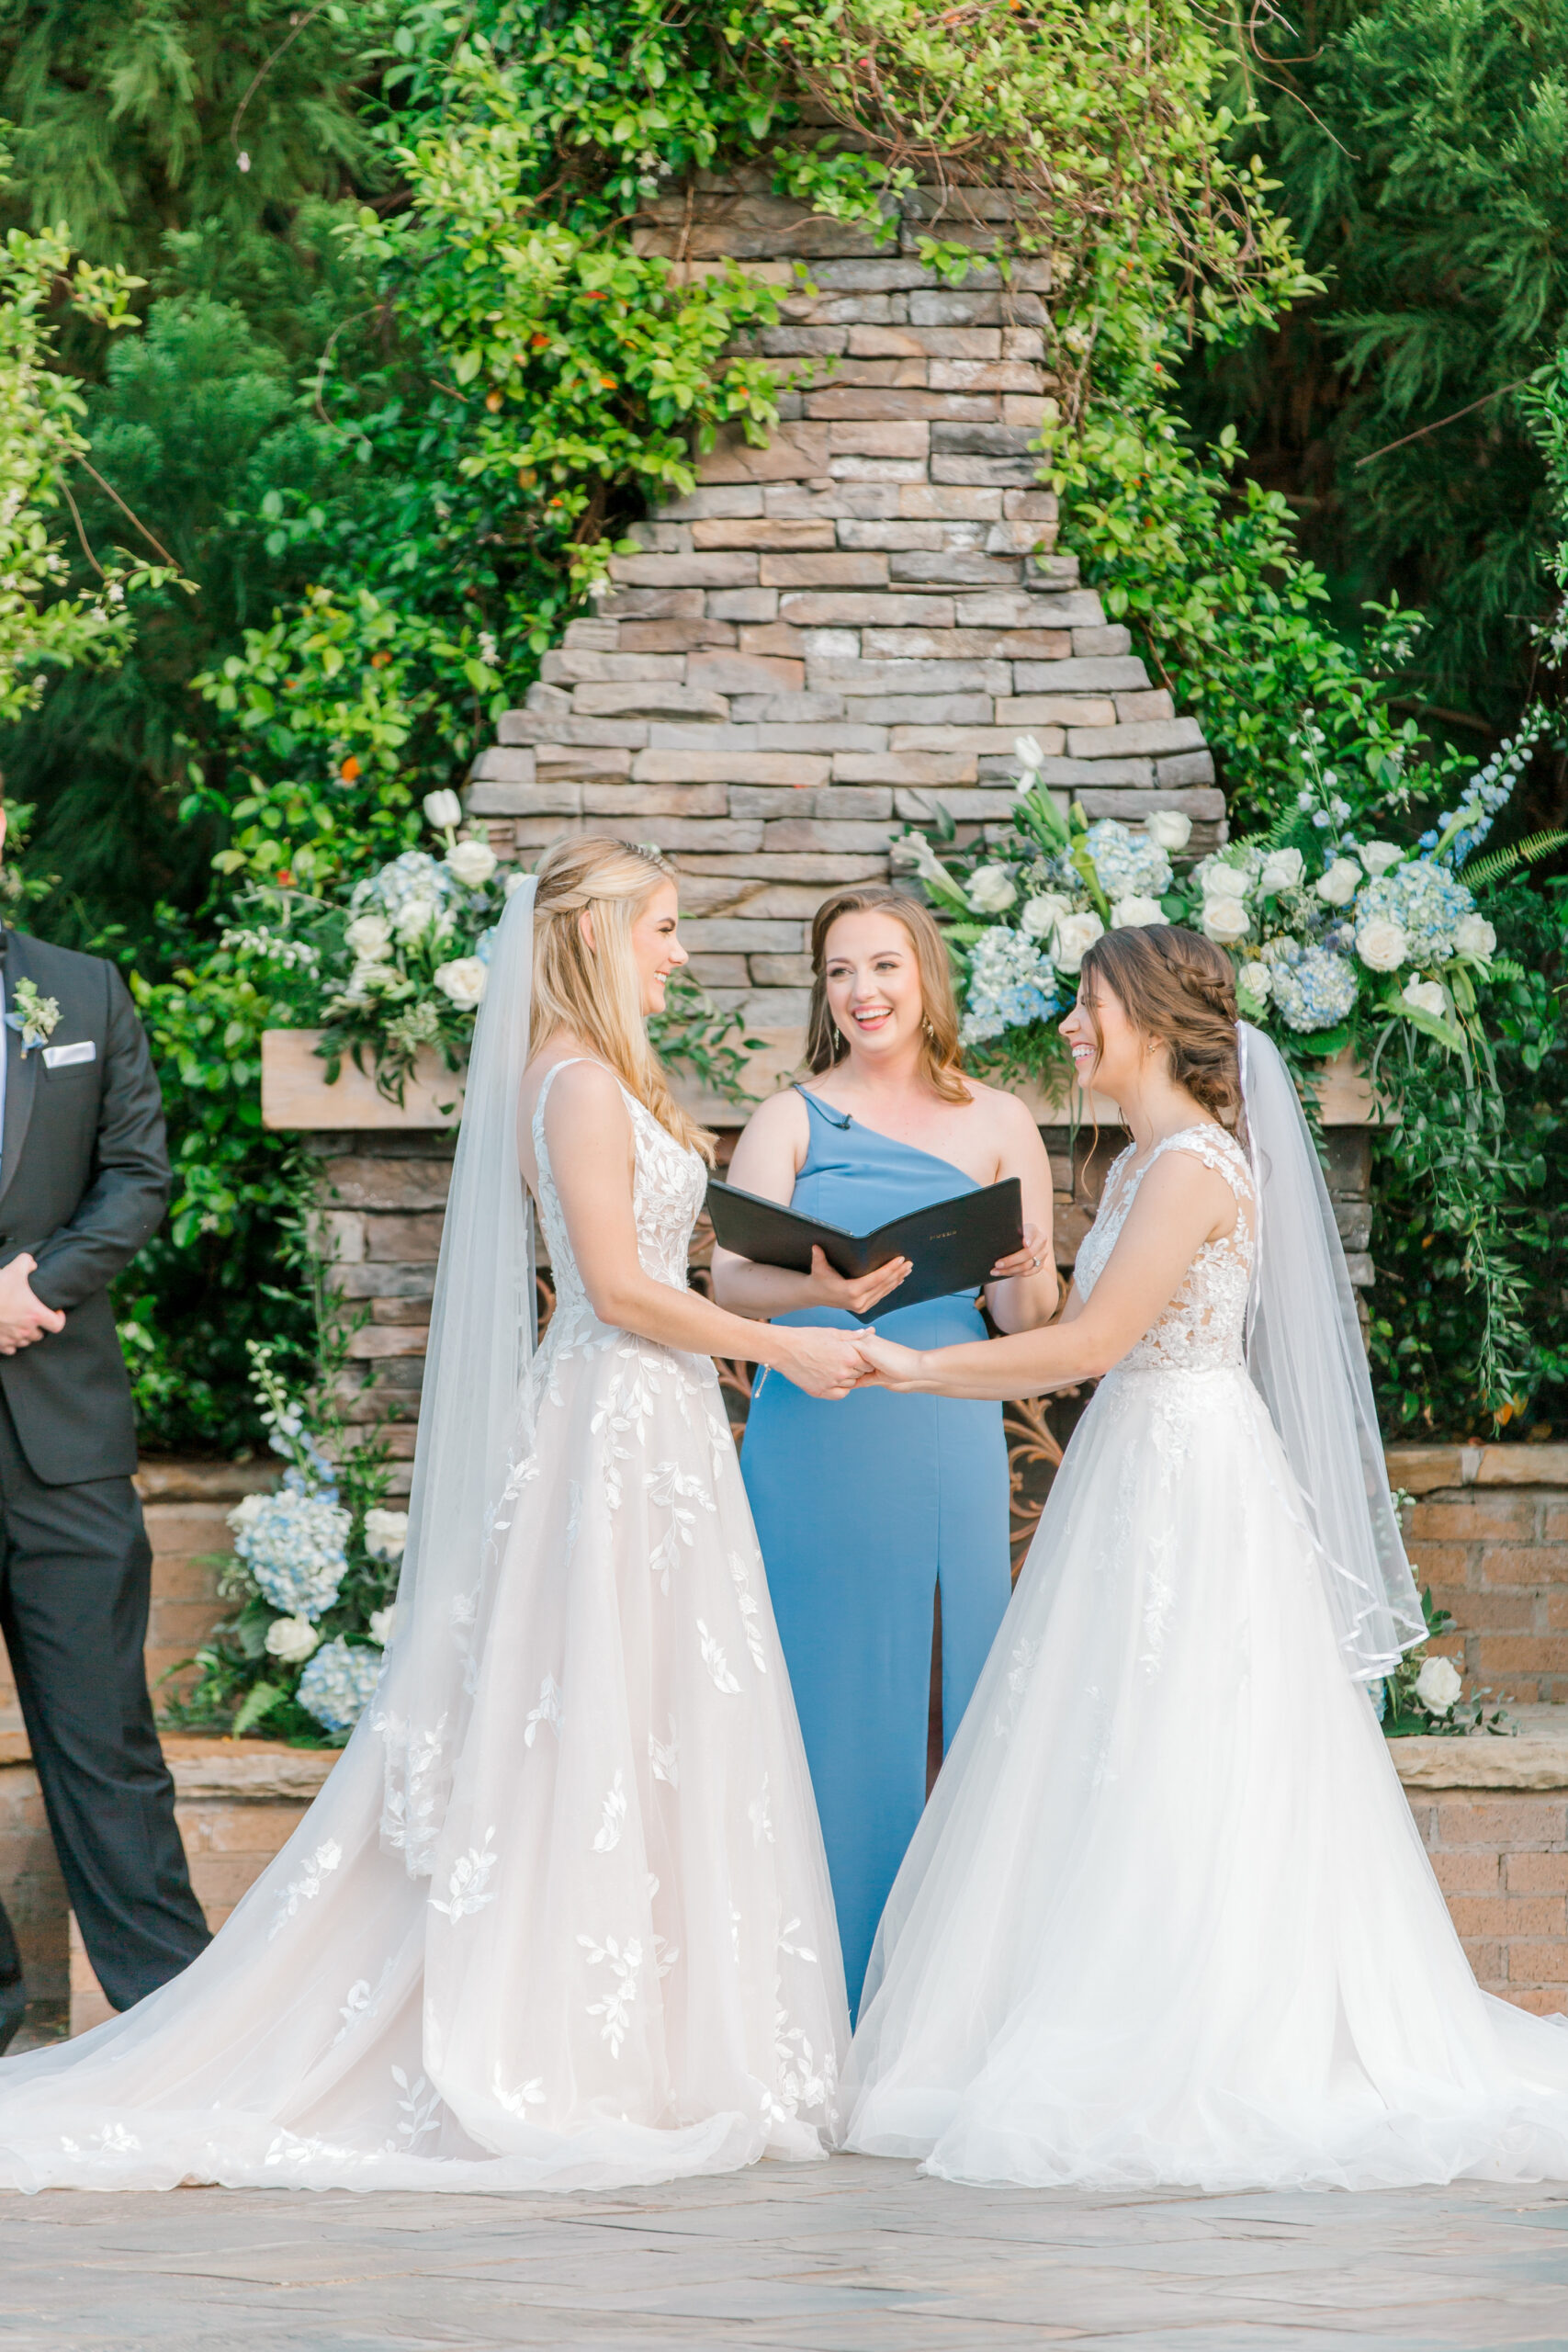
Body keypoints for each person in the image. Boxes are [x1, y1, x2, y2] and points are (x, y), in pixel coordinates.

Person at [0, 835, 864, 2190]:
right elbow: (621, 1294)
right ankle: (557, 2042)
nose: (679, 955)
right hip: (613, 1418)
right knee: (576, 1719)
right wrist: (781, 1355)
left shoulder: (603, 1077)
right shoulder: (571, 1082)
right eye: (664, 931)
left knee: (640, 1720)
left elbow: (668, 1271)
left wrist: (805, 1299)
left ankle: (650, 2040)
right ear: (593, 938)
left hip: (654, 1432)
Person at [843, 923, 1568, 2191]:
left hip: (1185, 1472)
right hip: (1133, 1463)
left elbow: (1084, 1354)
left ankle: (1198, 2024)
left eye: (1086, 1006)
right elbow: (1084, 1324)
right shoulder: (1134, 1169)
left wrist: (920, 1364)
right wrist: (1027, 1274)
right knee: (1110, 1734)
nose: (1069, 1028)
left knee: (1188, 1733)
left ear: (1151, 1019)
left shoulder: (1185, 1167)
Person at [713, 886, 1057, 2013]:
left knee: (955, 1693)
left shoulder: (1001, 1119)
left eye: (883, 966)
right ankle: (811, 1995)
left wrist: (1029, 1275)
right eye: (839, 971)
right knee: (820, 1693)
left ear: (926, 977)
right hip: (818, 1434)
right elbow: (726, 1280)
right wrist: (819, 1284)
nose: (862, 991)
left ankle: (944, 2001)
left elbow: (1028, 1327)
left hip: (946, 1425)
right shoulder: (792, 1118)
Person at [0, 821, 209, 2058]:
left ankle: (177, 2021)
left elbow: (137, 1175)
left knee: (105, 1737)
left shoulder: (79, 990)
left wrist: (35, 1286)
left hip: (62, 1438)